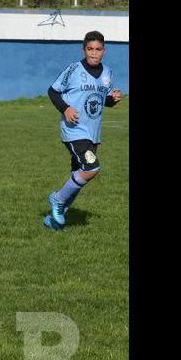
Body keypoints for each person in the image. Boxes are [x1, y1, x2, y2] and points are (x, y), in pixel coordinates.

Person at [43, 30, 122, 231]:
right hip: (74, 130)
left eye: (97, 50)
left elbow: (101, 100)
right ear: (83, 49)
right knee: (91, 168)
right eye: (90, 49)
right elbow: (53, 91)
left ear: (104, 51)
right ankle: (57, 198)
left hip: (93, 133)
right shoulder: (73, 70)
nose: (93, 53)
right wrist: (65, 108)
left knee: (78, 177)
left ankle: (54, 220)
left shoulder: (108, 74)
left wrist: (112, 99)